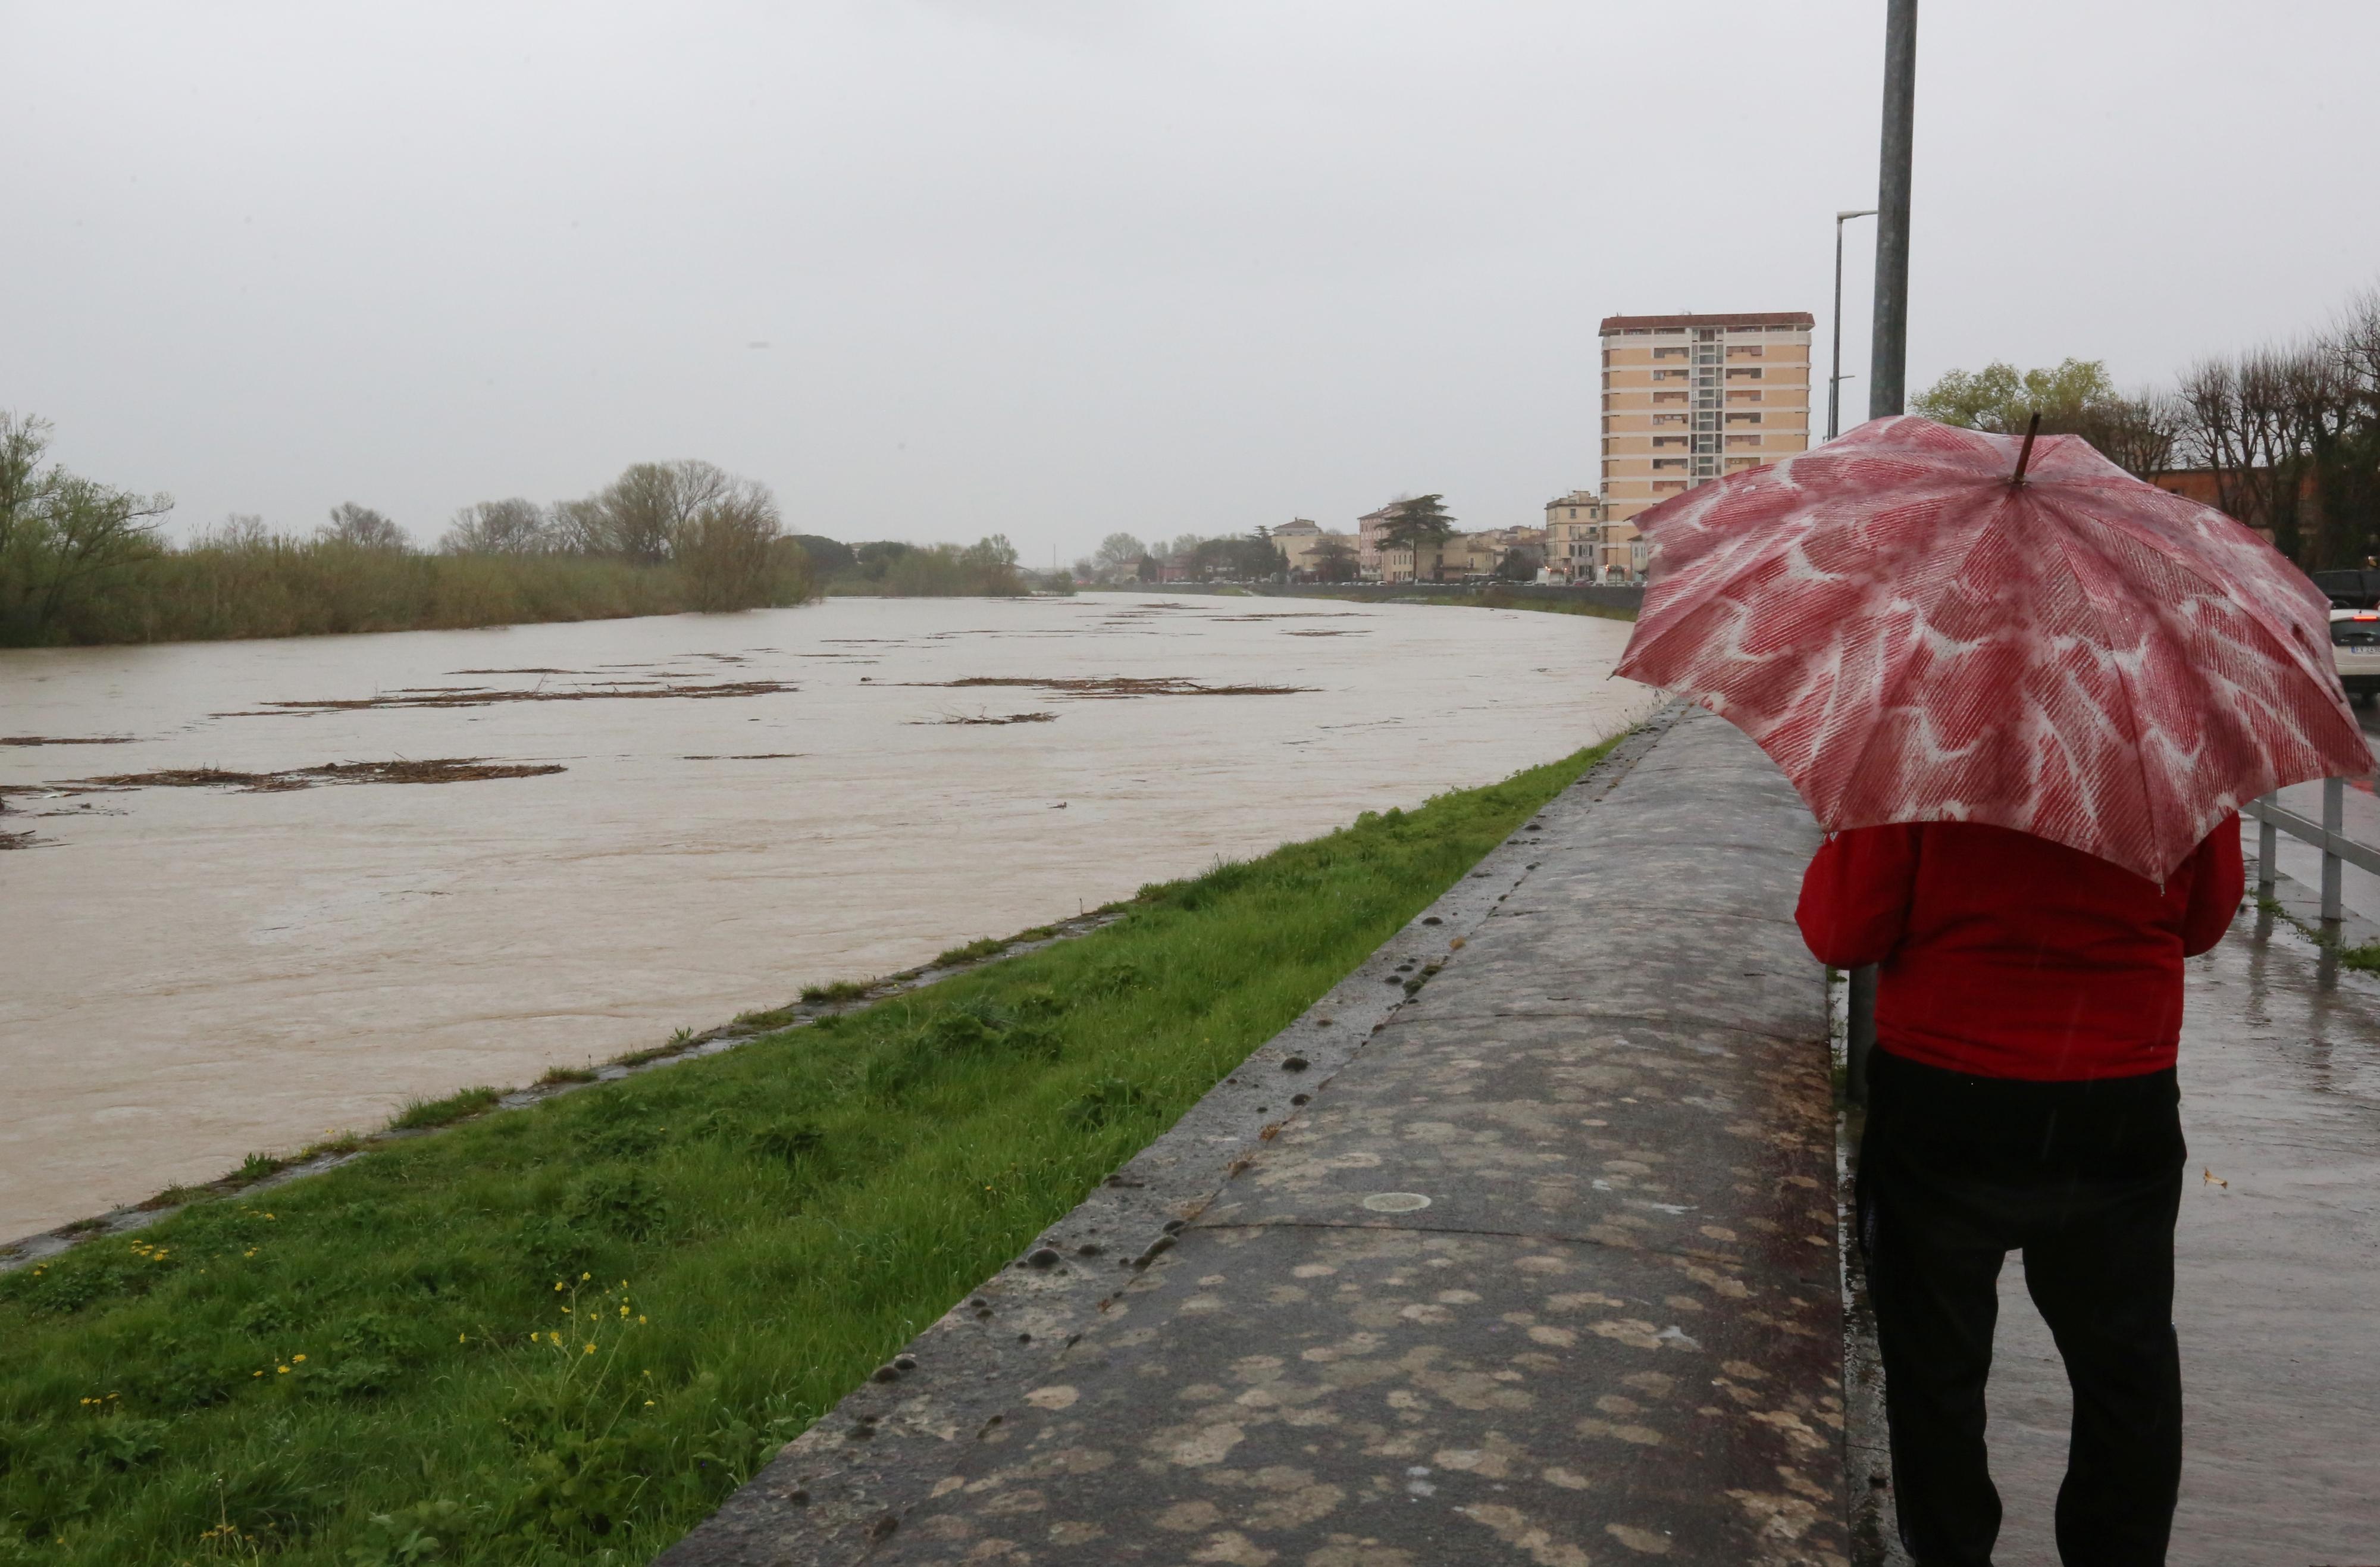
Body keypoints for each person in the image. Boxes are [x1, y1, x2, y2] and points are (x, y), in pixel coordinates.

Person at [1797, 817, 2243, 1567]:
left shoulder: (1926, 746)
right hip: (2116, 1107)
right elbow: (2202, 922)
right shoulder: (2175, 750)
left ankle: (1952, 1550)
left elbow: (1843, 932)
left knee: (1934, 1361)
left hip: (1946, 1104)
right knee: (2123, 1367)